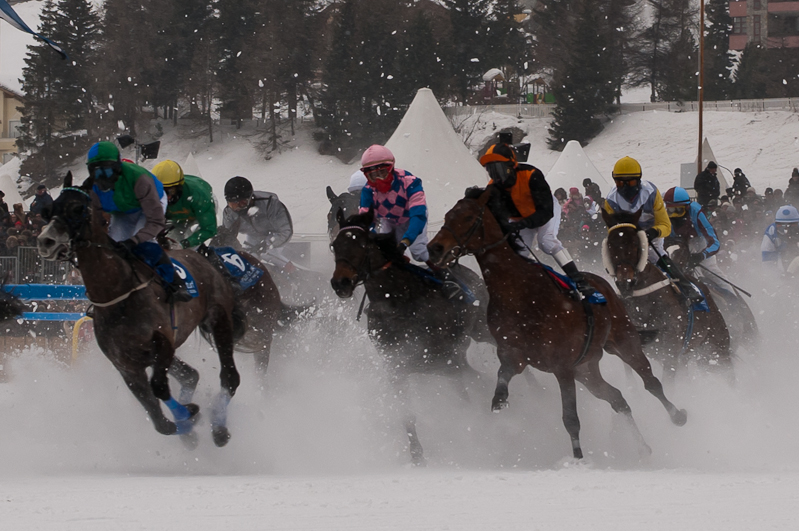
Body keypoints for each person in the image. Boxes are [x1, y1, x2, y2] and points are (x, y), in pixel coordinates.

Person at [479, 142, 596, 298]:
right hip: (522, 218)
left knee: (546, 242)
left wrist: (525, 223)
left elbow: (545, 212)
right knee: (517, 251)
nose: (495, 176)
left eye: (498, 169)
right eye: (491, 171)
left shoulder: (531, 174)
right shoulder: (493, 187)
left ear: (510, 166)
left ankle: (579, 279)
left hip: (544, 210)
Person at [86, 141, 192, 303]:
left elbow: (156, 222)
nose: (101, 179)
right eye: (96, 173)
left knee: (143, 243)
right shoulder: (93, 189)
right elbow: (98, 223)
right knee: (114, 247)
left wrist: (134, 240)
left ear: (117, 167)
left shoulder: (139, 179)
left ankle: (176, 284)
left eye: (106, 171)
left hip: (151, 204)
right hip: (123, 210)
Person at [604, 157, 703, 303]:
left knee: (656, 256)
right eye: (620, 182)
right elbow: (612, 231)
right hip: (628, 237)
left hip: (651, 233)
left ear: (638, 180)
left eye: (630, 182)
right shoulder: (611, 201)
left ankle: (686, 287)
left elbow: (666, 226)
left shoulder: (651, 193)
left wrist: (654, 232)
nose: (625, 187)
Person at [663, 187, 732, 296]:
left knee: (714, 274)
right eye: (671, 210)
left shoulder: (696, 211)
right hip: (679, 247)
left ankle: (734, 300)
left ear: (687, 207)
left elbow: (715, 242)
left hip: (700, 244)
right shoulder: (664, 215)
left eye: (678, 210)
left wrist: (701, 256)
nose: (674, 215)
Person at [220, 176, 295, 271]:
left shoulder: (269, 204)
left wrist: (267, 243)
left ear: (250, 198)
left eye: (242, 203)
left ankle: (294, 273)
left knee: (267, 254)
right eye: (232, 204)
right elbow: (228, 237)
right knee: (248, 259)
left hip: (277, 236)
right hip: (254, 237)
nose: (237, 208)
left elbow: (286, 231)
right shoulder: (229, 213)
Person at [151, 160, 217, 249]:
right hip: (176, 219)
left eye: (170, 191)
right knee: (170, 243)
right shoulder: (150, 196)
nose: (166, 197)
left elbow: (209, 229)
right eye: (161, 191)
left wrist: (184, 244)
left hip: (200, 214)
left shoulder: (199, 196)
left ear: (179, 186)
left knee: (192, 247)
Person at [761, 205, 799, 271]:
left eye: (791, 226)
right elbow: (767, 254)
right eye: (782, 226)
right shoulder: (771, 231)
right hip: (780, 263)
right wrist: (773, 275)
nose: (786, 230)